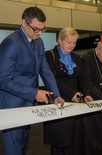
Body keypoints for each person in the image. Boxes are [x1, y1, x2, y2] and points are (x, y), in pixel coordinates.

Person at [0, 7, 64, 155]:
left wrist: (56, 95)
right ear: (24, 23)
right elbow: (3, 80)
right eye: (36, 29)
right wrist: (34, 93)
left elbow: (45, 70)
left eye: (42, 29)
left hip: (27, 104)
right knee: (14, 149)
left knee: (23, 145)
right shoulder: (11, 43)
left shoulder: (39, 42)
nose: (39, 33)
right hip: (12, 104)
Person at [43, 27, 92, 155]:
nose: (72, 46)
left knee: (74, 138)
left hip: (75, 102)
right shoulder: (50, 55)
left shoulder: (76, 57)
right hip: (58, 101)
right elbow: (51, 79)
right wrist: (71, 93)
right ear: (60, 40)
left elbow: (82, 79)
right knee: (60, 140)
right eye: (69, 42)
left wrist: (85, 94)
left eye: (74, 42)